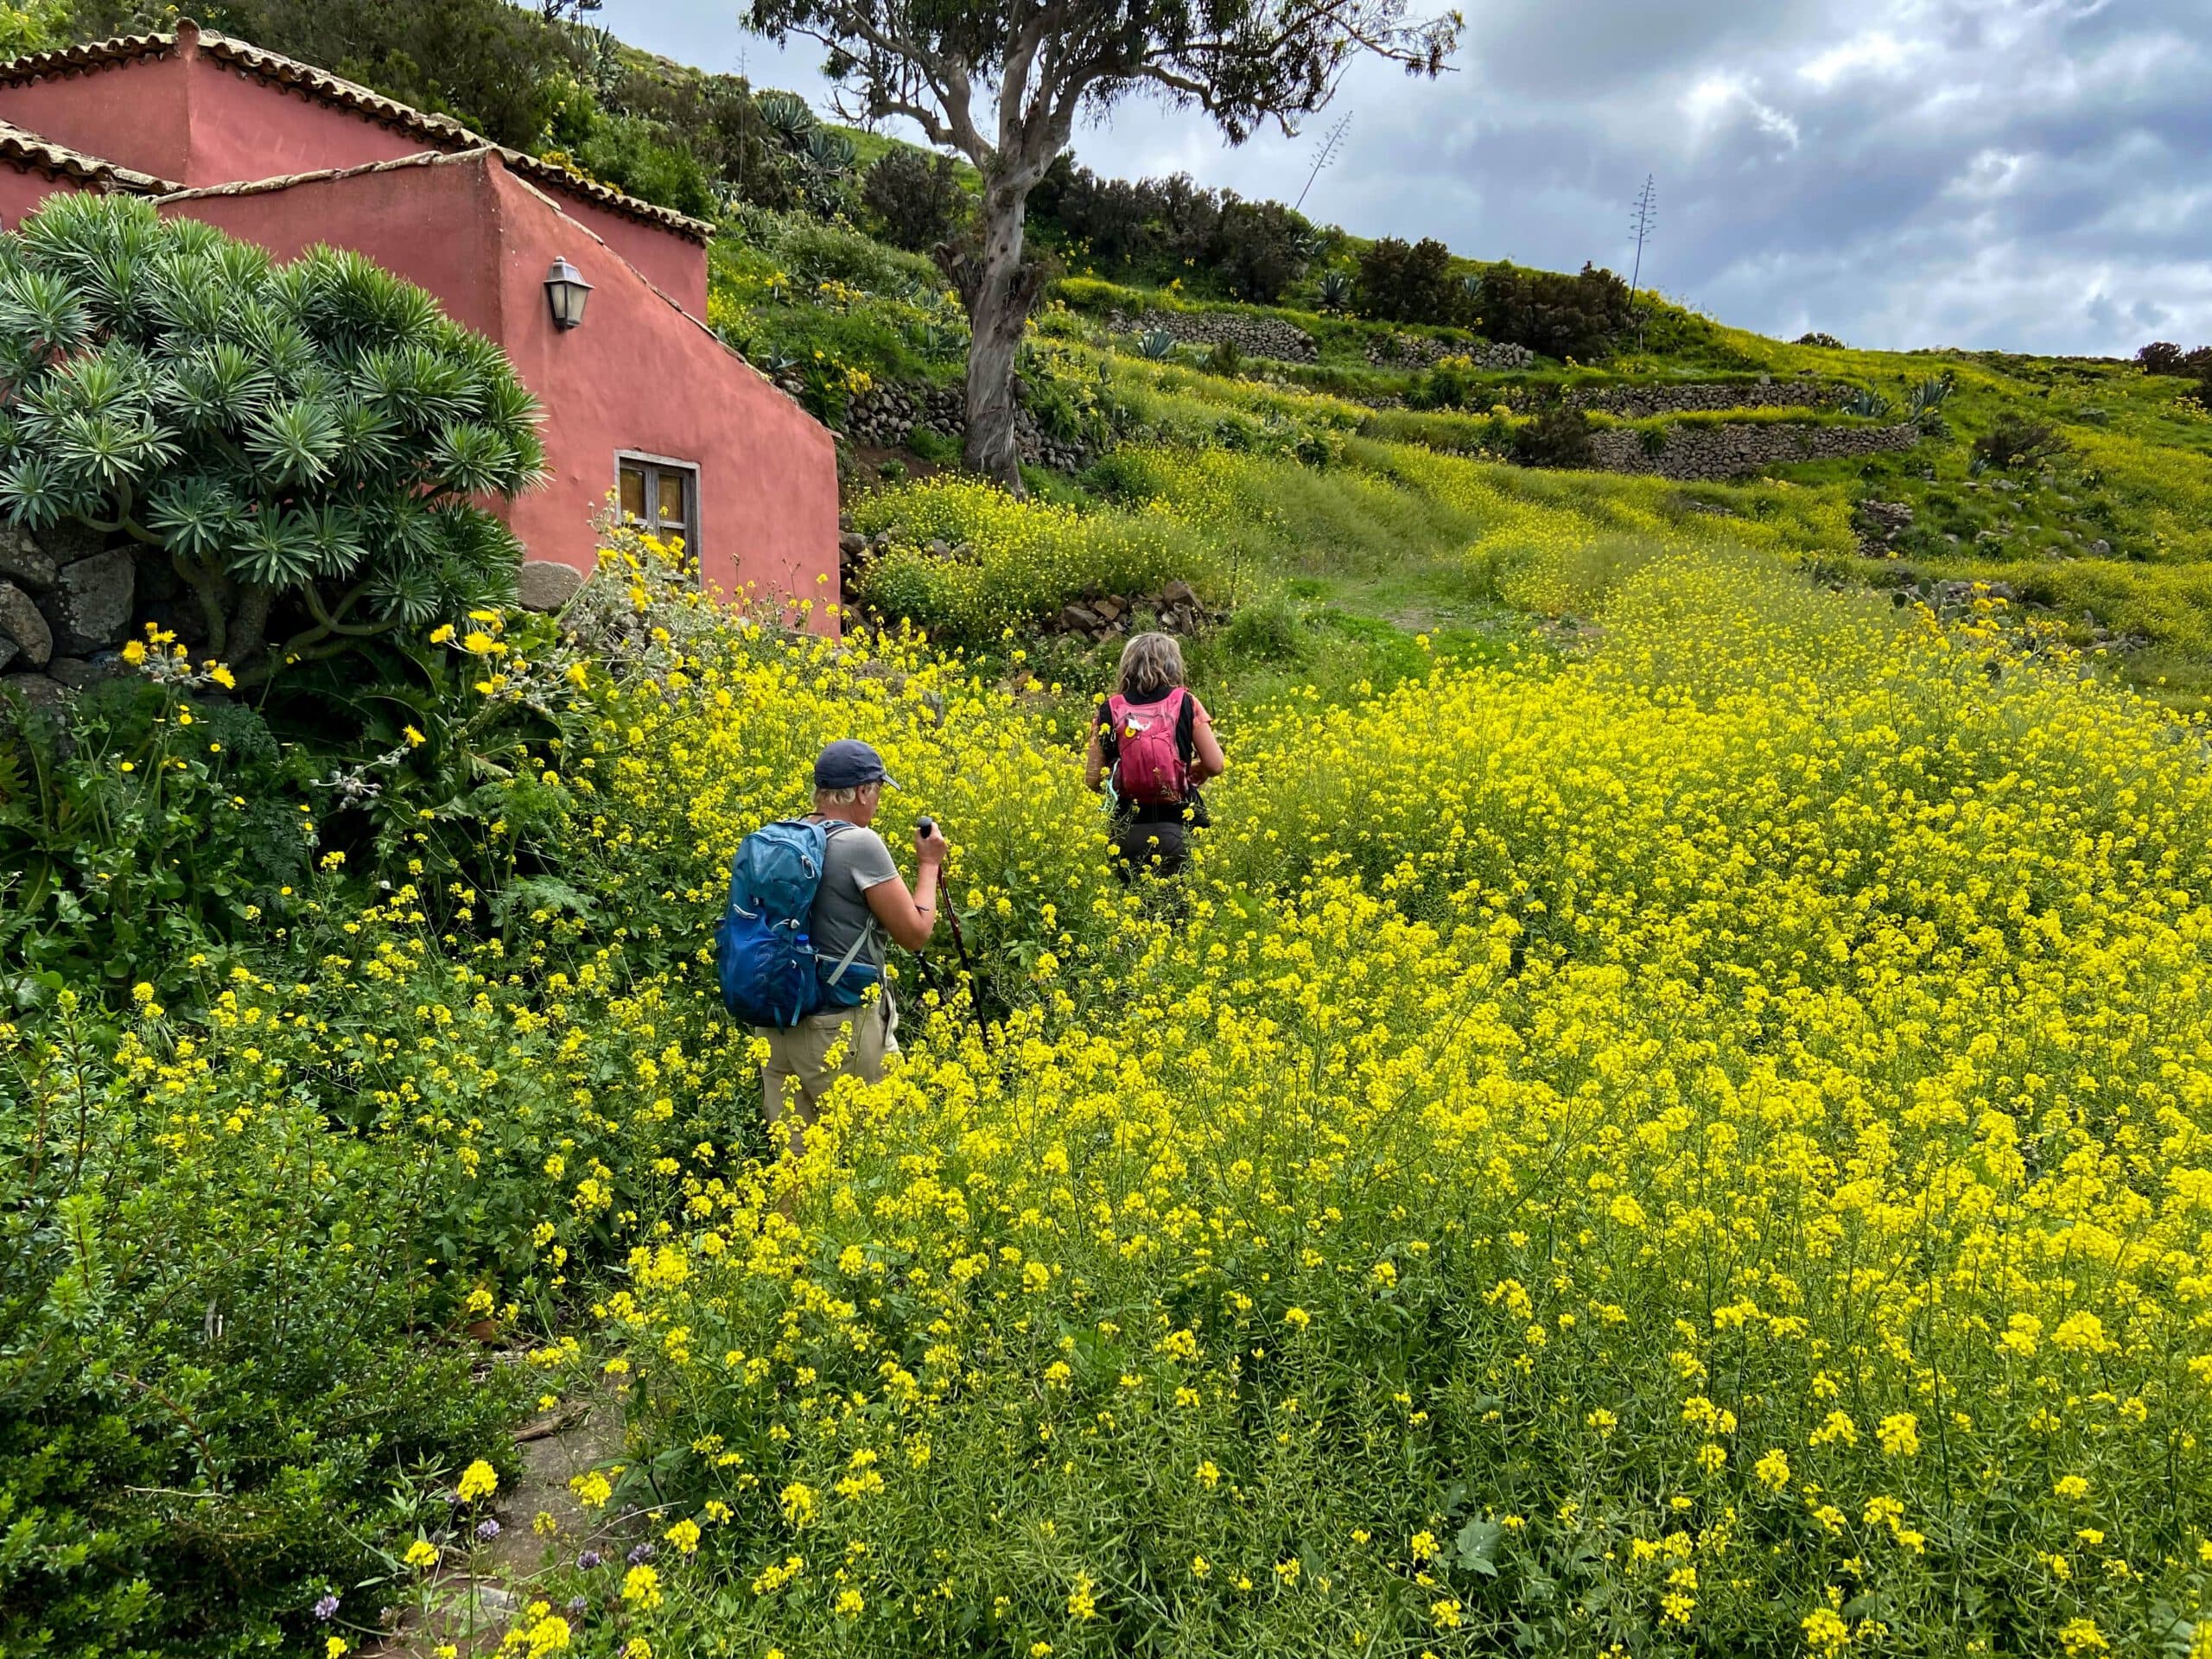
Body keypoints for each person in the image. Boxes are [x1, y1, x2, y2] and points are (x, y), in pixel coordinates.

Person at [758, 738, 944, 1157]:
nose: (876, 803)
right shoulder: (859, 843)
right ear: (862, 791)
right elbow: (914, 932)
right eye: (877, 791)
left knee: (795, 1172)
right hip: (839, 1032)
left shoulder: (779, 837)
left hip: (774, 1026)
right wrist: (929, 864)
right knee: (883, 1161)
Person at [1084, 631, 1224, 877]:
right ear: (1173, 666)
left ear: (1128, 666)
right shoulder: (1186, 702)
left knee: (1131, 911)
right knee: (1176, 911)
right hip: (1176, 829)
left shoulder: (1110, 708)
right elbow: (1215, 765)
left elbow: (1092, 779)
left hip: (1126, 832)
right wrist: (1188, 769)